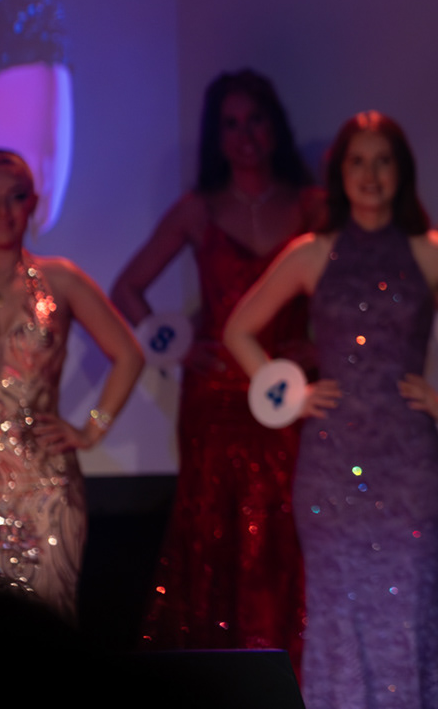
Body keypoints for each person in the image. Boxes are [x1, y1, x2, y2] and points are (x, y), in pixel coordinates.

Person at [224, 112, 438, 709]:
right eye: (358, 161)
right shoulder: (313, 253)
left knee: (410, 618)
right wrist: (292, 396)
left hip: (410, 471)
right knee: (338, 622)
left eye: (383, 160)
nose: (370, 174)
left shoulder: (429, 252)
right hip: (331, 472)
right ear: (339, 173)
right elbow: (239, 330)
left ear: (401, 171)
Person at [113, 70, 324, 663]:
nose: (245, 136)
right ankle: (216, 682)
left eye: (254, 120)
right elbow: (127, 288)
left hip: (285, 394)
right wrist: (177, 347)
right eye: (230, 124)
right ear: (216, 135)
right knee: (214, 538)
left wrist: (323, 347)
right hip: (216, 400)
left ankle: (293, 676)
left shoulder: (311, 205)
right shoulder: (198, 210)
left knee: (285, 533)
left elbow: (353, 291)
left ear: (274, 126)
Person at [0, 150, 144, 619]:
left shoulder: (61, 279)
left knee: (49, 629)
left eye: (16, 196)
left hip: (45, 482)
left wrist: (92, 428)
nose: (3, 210)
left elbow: (129, 355)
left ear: (33, 204)